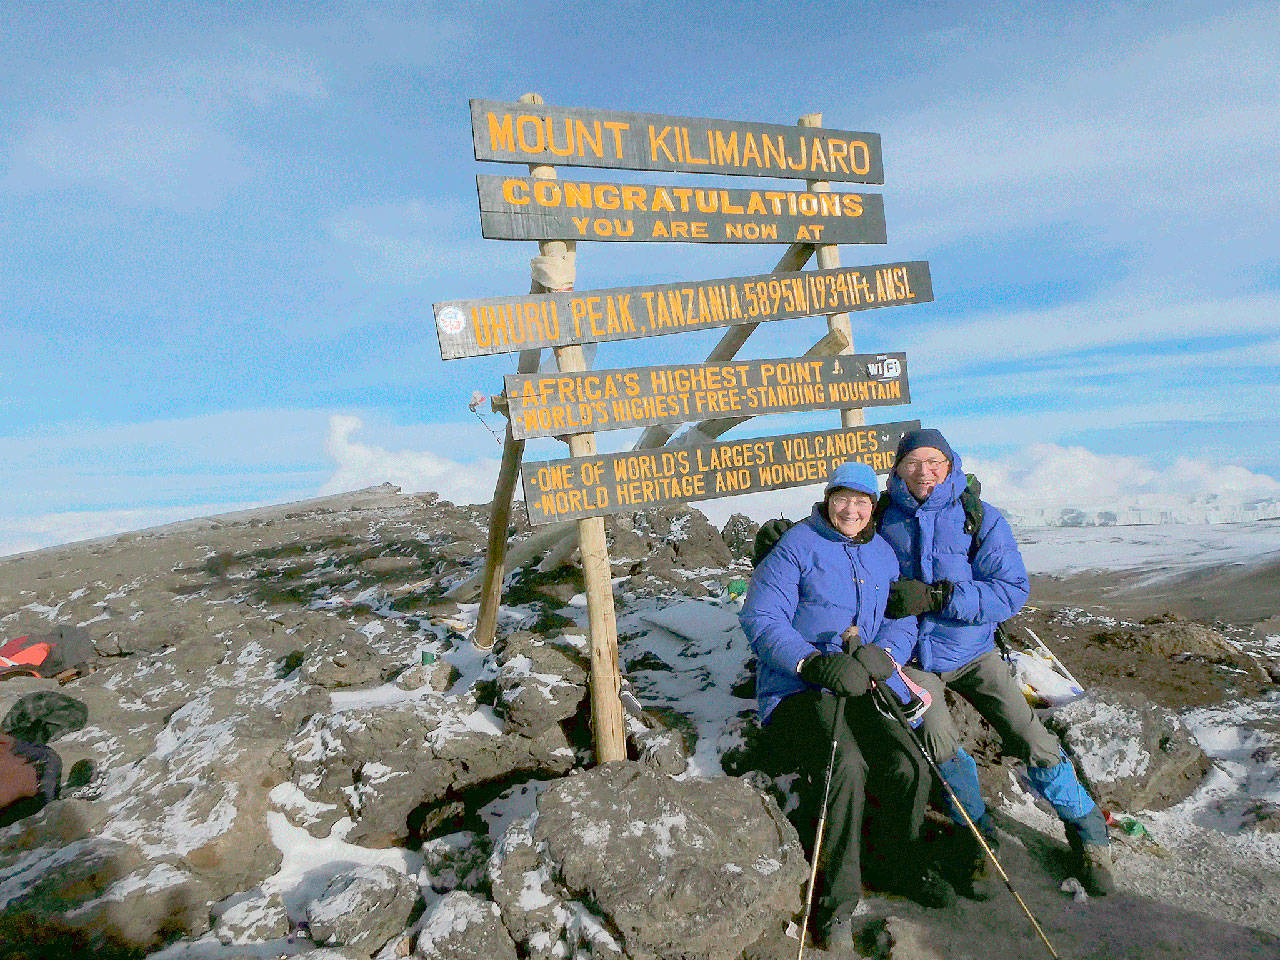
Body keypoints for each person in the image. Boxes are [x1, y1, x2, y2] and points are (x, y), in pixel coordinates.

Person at [877, 427, 1114, 897]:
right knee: (942, 748)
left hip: (973, 651)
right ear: (898, 469)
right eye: (913, 463)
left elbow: (1010, 590)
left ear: (950, 466)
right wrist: (781, 542)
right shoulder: (880, 517)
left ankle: (1089, 833)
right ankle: (978, 837)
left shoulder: (979, 516)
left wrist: (941, 596)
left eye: (934, 463)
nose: (924, 472)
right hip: (914, 660)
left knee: (1031, 737)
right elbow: (837, 538)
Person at [739, 460, 954, 951]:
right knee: (848, 769)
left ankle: (892, 865)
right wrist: (811, 663)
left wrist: (887, 655)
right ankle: (834, 905)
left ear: (872, 506)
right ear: (827, 499)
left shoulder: (881, 554)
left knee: (909, 762)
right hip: (800, 690)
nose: (852, 510)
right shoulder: (796, 546)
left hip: (862, 685)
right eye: (843, 500)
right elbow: (761, 616)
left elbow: (898, 618)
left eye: (862, 502)